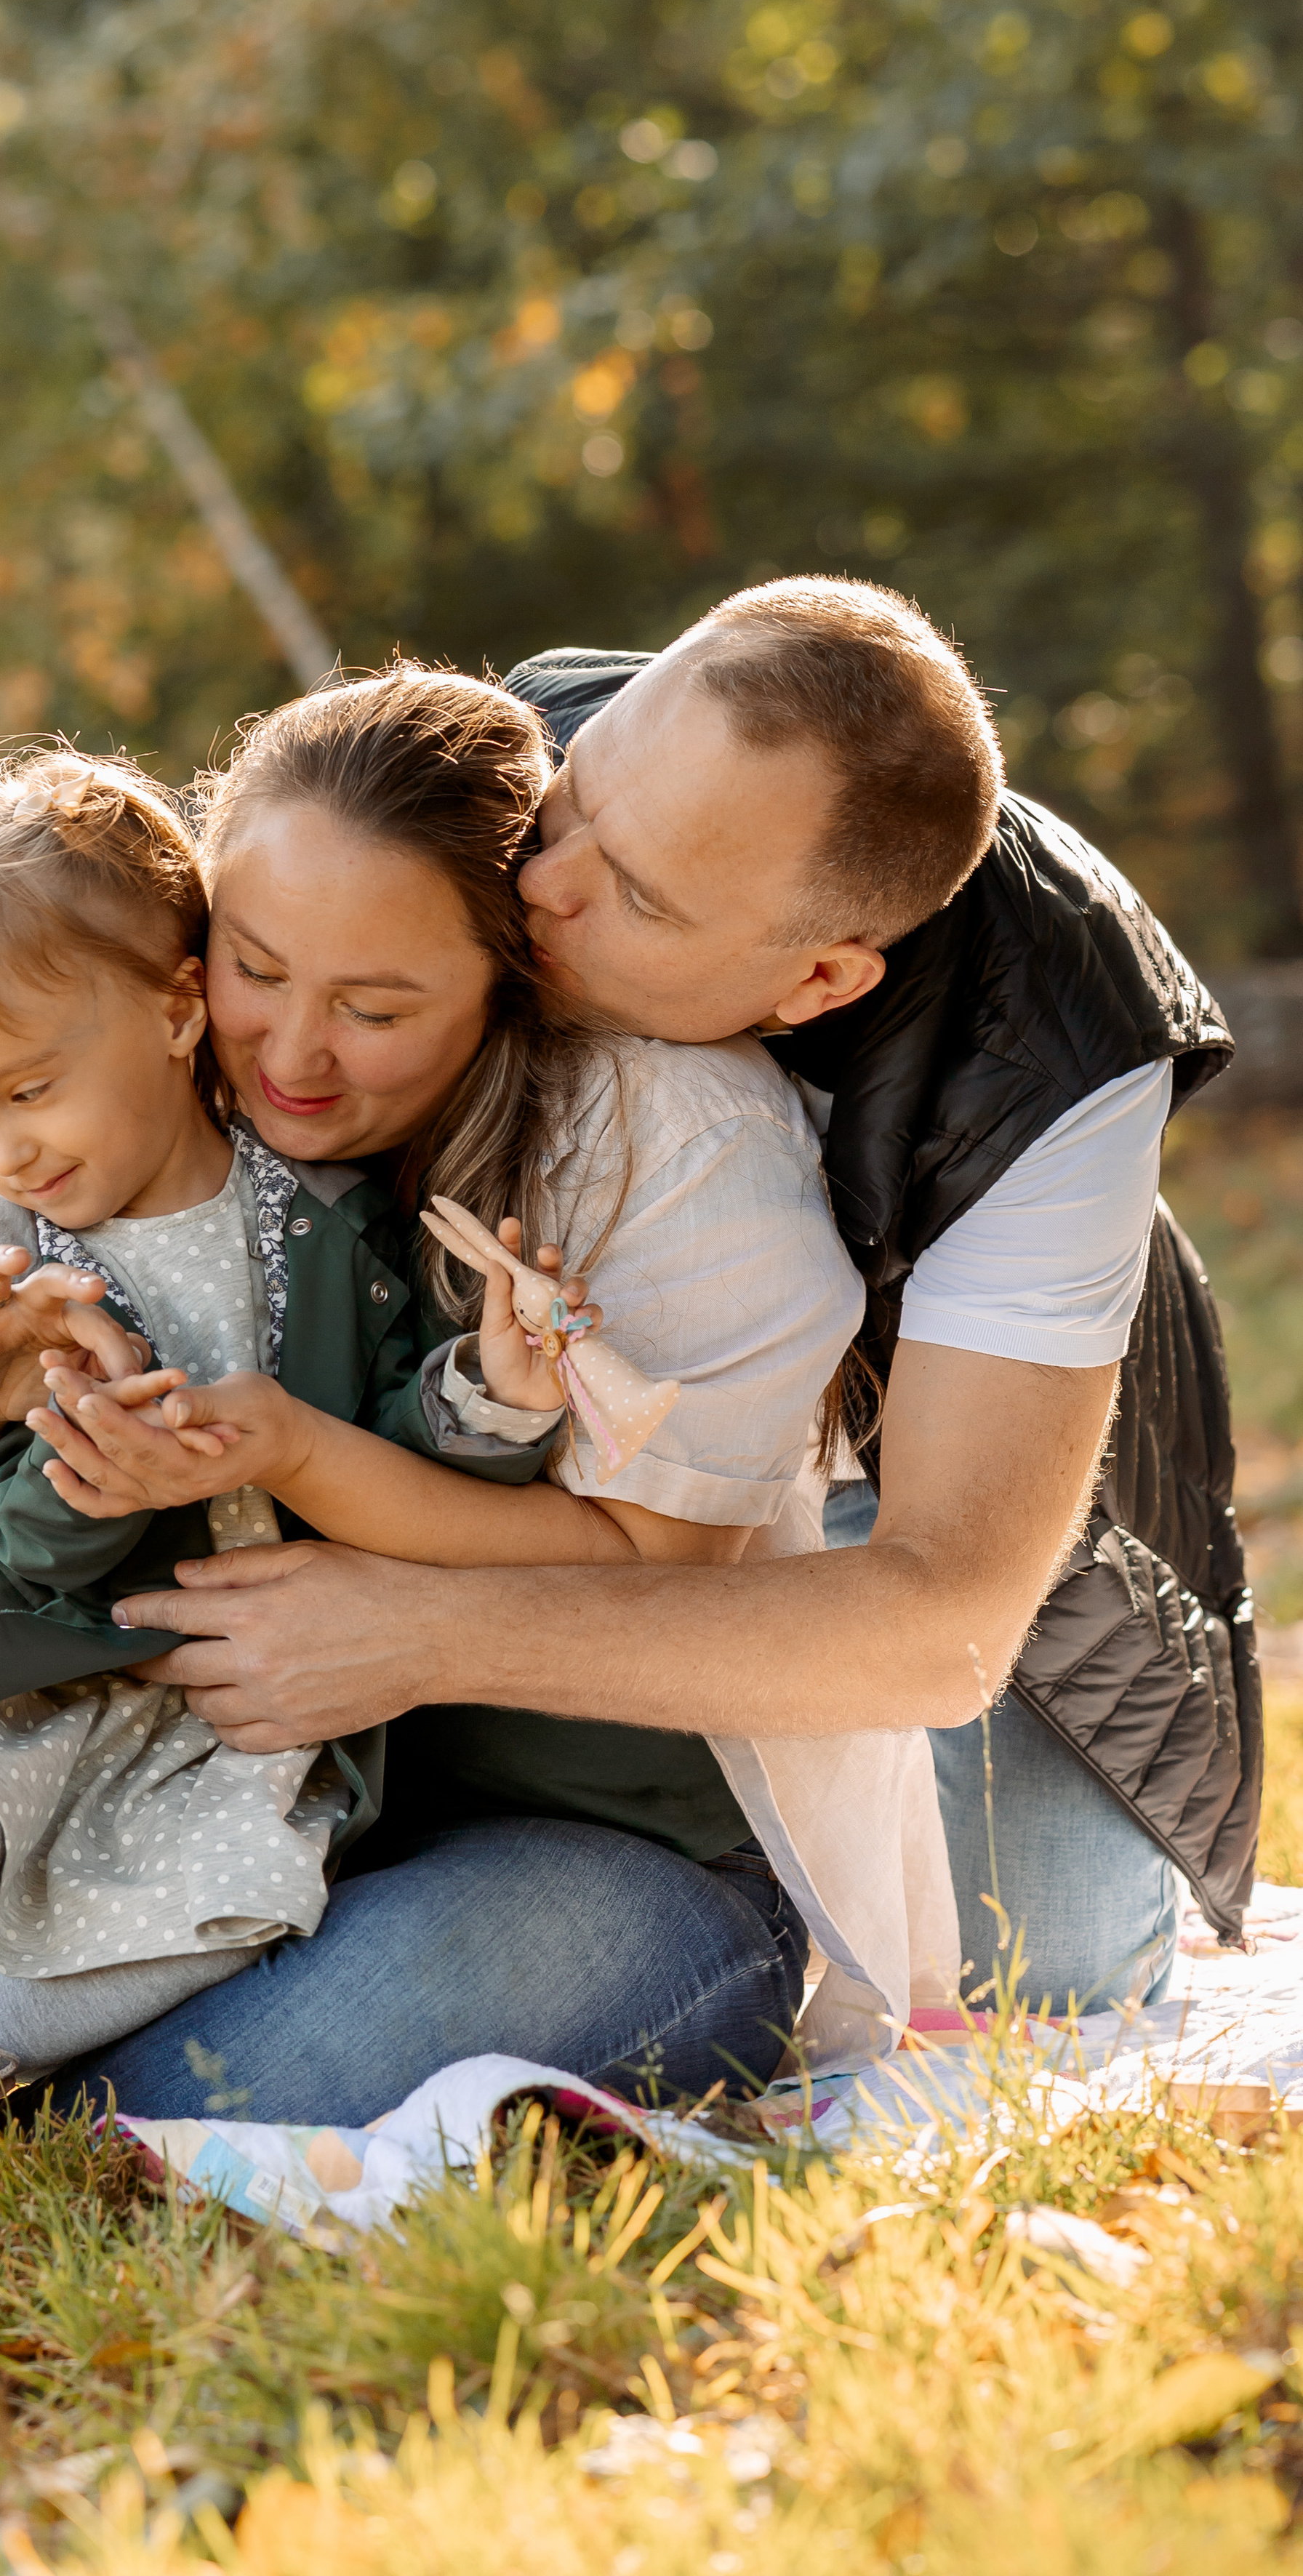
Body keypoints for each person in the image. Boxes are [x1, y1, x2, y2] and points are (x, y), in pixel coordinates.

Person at [0, 664, 886, 2184]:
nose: (288, 1057)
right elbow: (23, 1072)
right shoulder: (203, 1056)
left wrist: (379, 1594)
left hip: (580, 1841)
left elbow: (654, 1556)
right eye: (253, 971)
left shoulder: (662, 1145)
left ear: (513, 967)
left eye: (378, 1008)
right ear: (189, 963)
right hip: (182, 1765)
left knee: (184, 2101)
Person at [104, 582, 1253, 2019]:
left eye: (636, 895)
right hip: (623, 1396)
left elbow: (942, 1624)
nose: (542, 883)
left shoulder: (1054, 1064)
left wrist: (416, 1630)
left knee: (1036, 1969)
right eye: (575, 806)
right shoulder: (554, 761)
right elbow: (194, 950)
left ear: (817, 978)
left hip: (954, 1429)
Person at [0, 731, 575, 2282]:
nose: (2, 1148)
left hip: (218, 1704)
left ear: (175, 1006)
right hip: (29, 1657)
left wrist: (498, 1396)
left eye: (28, 1090)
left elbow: (394, 1438)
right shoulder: (10, 1263)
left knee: (239, 1904)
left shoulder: (314, 1223)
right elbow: (7, 1537)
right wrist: (47, 1447)